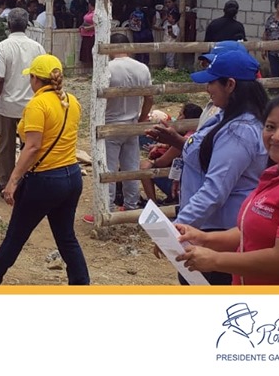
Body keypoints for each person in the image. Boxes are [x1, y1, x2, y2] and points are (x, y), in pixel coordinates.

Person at [174, 90, 279, 285]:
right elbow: (251, 231)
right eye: (270, 127)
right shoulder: (276, 173)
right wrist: (204, 238)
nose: (277, 136)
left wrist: (216, 260)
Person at [148, 49, 269, 285]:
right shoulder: (224, 117)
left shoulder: (239, 131)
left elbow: (215, 189)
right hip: (208, 226)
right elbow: (206, 157)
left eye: (212, 82)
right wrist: (177, 141)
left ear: (230, 85)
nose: (207, 88)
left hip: (217, 230)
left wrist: (177, 228)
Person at [0, 54, 89, 286]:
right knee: (66, 237)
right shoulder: (72, 101)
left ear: (35, 79)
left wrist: (12, 181)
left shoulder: (37, 105)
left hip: (45, 180)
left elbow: (32, 147)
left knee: (17, 233)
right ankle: (81, 283)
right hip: (72, 176)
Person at [0, 8, 47, 194]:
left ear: (8, 24)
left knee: (6, 146)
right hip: (32, 107)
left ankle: (6, 182)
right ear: (27, 24)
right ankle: (27, 181)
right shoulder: (37, 48)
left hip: (7, 107)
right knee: (30, 146)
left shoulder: (2, 48)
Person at [102, 33, 153, 212]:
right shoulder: (142, 68)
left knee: (109, 170)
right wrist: (141, 118)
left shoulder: (107, 69)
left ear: (111, 48)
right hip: (132, 122)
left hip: (111, 123)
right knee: (131, 168)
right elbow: (149, 98)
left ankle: (107, 208)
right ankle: (131, 206)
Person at [140, 103, 202, 205]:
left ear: (186, 119)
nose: (177, 118)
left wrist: (152, 160)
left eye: (180, 115)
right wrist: (161, 146)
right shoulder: (198, 134)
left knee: (144, 167)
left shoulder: (184, 140)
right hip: (194, 184)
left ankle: (154, 204)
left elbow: (162, 162)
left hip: (184, 186)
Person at [79, 0, 96, 67]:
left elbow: (96, 25)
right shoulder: (89, 12)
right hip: (85, 35)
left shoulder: (95, 13)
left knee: (90, 53)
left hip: (91, 36)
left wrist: (88, 28)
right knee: (86, 54)